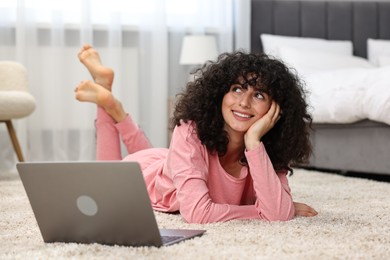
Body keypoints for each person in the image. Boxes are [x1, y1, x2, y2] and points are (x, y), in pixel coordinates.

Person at [74, 44, 318, 224]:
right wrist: (260, 210)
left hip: (168, 162)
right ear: (219, 94)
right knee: (104, 179)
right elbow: (198, 214)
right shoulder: (190, 130)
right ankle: (109, 102)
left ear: (275, 110)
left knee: (165, 159)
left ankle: (113, 104)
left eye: (259, 95)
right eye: (236, 89)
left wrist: (253, 142)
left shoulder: (270, 148)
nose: (244, 102)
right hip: (143, 178)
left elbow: (278, 214)